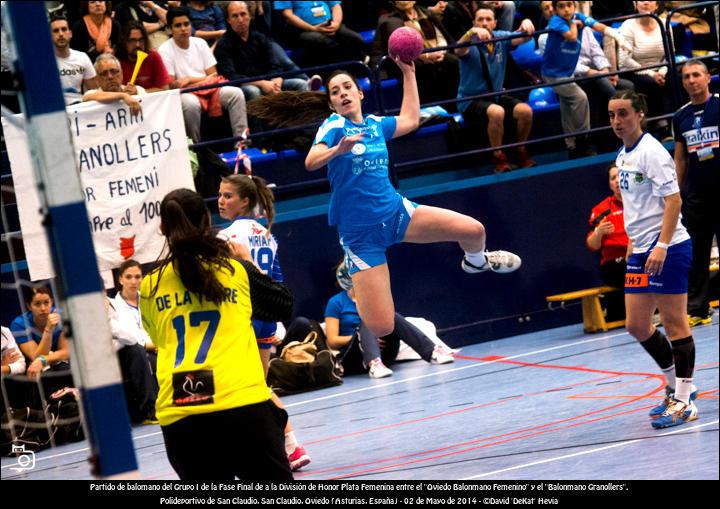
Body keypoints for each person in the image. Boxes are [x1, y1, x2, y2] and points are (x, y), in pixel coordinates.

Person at [305, 58, 521, 341]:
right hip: (361, 236)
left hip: (397, 214)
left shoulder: (376, 125)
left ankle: (476, 262)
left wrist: (408, 72)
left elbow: (410, 119)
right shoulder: (332, 126)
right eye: (335, 91)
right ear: (332, 103)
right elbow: (311, 161)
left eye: (348, 87)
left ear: (360, 94)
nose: (342, 93)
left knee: (474, 230)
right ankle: (353, 272)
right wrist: (337, 150)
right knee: (382, 326)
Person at [139, 188, 294, 480]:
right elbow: (282, 305)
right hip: (240, 404)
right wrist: (248, 263)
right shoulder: (234, 271)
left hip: (180, 415)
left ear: (163, 228)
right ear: (206, 223)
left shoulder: (150, 285)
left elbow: (158, 338)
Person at [608, 90, 697, 429]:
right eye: (613, 115)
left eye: (624, 114)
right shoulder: (622, 155)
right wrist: (634, 242)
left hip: (669, 248)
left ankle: (686, 400)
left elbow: (673, 202)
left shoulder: (652, 152)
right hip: (641, 249)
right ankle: (675, 387)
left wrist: (661, 245)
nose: (617, 121)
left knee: (675, 324)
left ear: (640, 114)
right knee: (637, 325)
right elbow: (636, 207)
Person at [216, 173, 311, 471]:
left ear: (245, 201)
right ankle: (285, 446)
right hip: (266, 320)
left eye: (227, 195)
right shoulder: (268, 235)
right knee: (257, 386)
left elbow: (220, 285)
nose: (220, 200)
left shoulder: (226, 237)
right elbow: (277, 282)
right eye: (219, 194)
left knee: (247, 388)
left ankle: (287, 446)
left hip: (241, 320)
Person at [325, 264, 454, 378]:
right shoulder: (336, 302)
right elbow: (332, 341)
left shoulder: (372, 296)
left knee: (391, 316)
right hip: (355, 357)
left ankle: (432, 352)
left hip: (385, 353)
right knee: (368, 321)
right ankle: (374, 364)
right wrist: (366, 339)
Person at [542, 0, 630, 159]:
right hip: (553, 74)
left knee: (568, 105)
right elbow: (572, 37)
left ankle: (573, 145)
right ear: (555, 10)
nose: (566, 10)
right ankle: (584, 140)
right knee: (580, 98)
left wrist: (615, 35)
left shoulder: (578, 16)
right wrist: (575, 24)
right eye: (561, 6)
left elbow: (596, 25)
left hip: (566, 72)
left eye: (569, 5)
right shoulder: (556, 22)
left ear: (574, 6)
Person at [455, 4, 536, 172]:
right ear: (474, 22)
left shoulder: (500, 38)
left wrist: (527, 22)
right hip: (470, 99)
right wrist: (471, 33)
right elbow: (458, 50)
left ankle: (520, 151)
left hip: (496, 95)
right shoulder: (468, 42)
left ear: (495, 23)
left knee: (525, 111)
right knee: (497, 112)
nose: (484, 23)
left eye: (488, 19)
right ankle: (499, 157)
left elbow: (524, 37)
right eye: (480, 19)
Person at [672, 60, 719, 327]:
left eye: (696, 75)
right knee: (697, 255)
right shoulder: (680, 117)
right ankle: (698, 309)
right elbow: (680, 159)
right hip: (697, 197)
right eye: (687, 76)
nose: (692, 80)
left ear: (708, 78)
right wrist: (677, 194)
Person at [159, 6, 249, 144]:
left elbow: (214, 75)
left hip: (209, 89)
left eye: (186, 24)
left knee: (236, 93)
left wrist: (189, 79)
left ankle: (242, 143)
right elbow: (173, 85)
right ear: (170, 29)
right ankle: (195, 148)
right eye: (178, 25)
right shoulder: (165, 49)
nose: (183, 28)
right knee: (191, 104)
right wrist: (203, 80)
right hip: (185, 94)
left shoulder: (200, 43)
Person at [215, 1, 309, 104]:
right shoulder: (223, 44)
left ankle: (307, 119)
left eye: (243, 14)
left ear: (250, 16)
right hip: (245, 86)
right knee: (253, 91)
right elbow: (231, 76)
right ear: (228, 20)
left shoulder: (260, 38)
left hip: (269, 82)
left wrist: (276, 80)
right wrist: (261, 83)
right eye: (235, 16)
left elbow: (274, 65)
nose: (240, 20)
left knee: (301, 84)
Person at [372, 1, 460, 107]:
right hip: (409, 61)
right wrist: (425, 56)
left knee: (453, 61)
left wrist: (440, 52)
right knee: (421, 68)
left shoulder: (427, 14)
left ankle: (454, 107)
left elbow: (442, 36)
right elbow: (385, 51)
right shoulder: (388, 20)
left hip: (438, 54)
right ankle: (431, 112)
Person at [618, 1, 674, 140]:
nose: (646, 3)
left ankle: (677, 123)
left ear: (656, 5)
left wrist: (661, 71)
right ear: (636, 5)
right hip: (634, 70)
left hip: (660, 70)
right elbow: (624, 60)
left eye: (650, 0)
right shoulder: (628, 26)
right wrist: (651, 73)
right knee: (651, 82)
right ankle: (662, 126)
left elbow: (669, 55)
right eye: (641, 0)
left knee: (676, 78)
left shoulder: (664, 24)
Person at [105, 292, 158, 424]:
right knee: (137, 351)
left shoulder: (117, 305)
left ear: (104, 291)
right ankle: (148, 409)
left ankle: (156, 407)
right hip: (105, 360)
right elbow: (128, 337)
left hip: (124, 351)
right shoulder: (89, 312)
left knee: (140, 352)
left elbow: (132, 335)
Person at [586, 164, 629, 322]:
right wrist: (599, 232)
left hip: (642, 253)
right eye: (613, 178)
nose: (617, 180)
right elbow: (592, 245)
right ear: (610, 184)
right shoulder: (602, 210)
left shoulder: (642, 201)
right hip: (615, 263)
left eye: (620, 176)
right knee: (635, 265)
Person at [274, 1, 367, 70]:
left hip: (330, 24)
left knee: (356, 39)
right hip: (303, 30)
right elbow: (287, 16)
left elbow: (336, 6)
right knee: (325, 42)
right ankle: (343, 72)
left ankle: (359, 68)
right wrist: (313, 28)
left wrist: (336, 23)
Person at [9, 287, 70, 382]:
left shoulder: (61, 316)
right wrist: (48, 329)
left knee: (64, 368)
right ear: (29, 306)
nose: (43, 308)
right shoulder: (19, 324)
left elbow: (66, 352)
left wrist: (43, 360)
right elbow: (36, 357)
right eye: (37, 304)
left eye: (46, 302)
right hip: (37, 368)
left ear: (52, 302)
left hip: (60, 364)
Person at [113, 259, 158, 376]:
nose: (133, 281)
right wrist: (149, 345)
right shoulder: (114, 306)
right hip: (136, 352)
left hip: (157, 346)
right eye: (128, 277)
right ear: (120, 280)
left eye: (137, 277)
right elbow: (126, 336)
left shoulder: (150, 299)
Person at [50, 14, 97, 105]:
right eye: (56, 31)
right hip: (55, 109)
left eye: (64, 29)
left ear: (70, 34)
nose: (60, 34)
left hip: (79, 107)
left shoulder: (82, 57)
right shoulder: (44, 61)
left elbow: (94, 91)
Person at [115, 21, 172, 93]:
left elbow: (165, 88)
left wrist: (140, 91)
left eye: (141, 40)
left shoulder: (153, 56)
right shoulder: (114, 61)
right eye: (132, 40)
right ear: (123, 41)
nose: (137, 45)